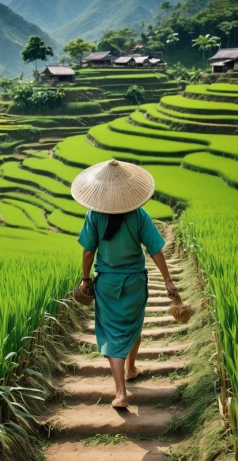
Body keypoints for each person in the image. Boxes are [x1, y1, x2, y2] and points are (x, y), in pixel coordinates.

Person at [71, 159, 179, 408]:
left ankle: (121, 391)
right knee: (133, 325)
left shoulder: (94, 214)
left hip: (107, 283)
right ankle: (130, 368)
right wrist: (168, 280)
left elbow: (88, 251)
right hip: (134, 282)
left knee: (111, 333)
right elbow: (155, 249)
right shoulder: (140, 214)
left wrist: (86, 279)